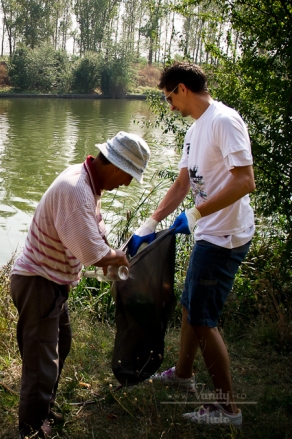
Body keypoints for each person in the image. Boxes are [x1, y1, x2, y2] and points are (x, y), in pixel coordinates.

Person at [128, 62, 256, 427]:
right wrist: (151, 223)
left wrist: (197, 215)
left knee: (202, 319)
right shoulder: (195, 130)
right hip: (208, 234)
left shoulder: (224, 121)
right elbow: (183, 184)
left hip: (225, 237)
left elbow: (245, 181)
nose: (170, 107)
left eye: (170, 98)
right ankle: (183, 375)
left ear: (182, 89)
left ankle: (228, 410)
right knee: (189, 306)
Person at [11, 131, 150, 438]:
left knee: (61, 345)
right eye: (129, 176)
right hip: (38, 283)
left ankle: (42, 409)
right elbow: (91, 254)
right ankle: (32, 429)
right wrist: (119, 257)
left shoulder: (89, 184)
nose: (126, 184)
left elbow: (95, 237)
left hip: (52, 282)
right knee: (41, 362)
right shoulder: (76, 189)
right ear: (116, 165)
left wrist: (114, 254)